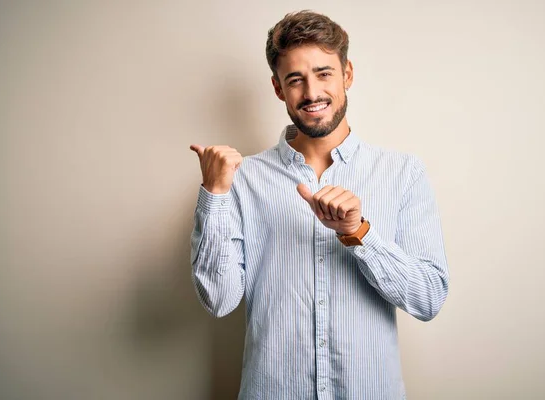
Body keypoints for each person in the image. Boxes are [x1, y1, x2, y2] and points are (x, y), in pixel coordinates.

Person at [189, 10, 449, 400]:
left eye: (324, 73)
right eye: (295, 79)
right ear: (278, 88)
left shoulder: (402, 173)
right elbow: (219, 300)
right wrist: (214, 193)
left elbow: (429, 298)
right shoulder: (242, 178)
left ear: (347, 74)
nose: (311, 93)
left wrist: (360, 233)